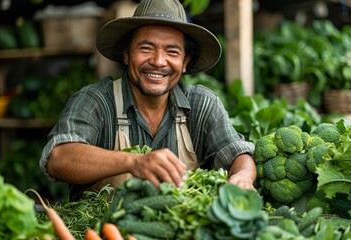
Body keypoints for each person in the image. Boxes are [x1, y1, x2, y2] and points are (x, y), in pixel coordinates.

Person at [39, 0, 256, 201]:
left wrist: (243, 177)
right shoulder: (95, 101)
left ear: (185, 62)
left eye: (172, 51)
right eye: (146, 48)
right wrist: (135, 162)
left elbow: (237, 152)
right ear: (126, 55)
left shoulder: (202, 104)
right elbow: (59, 158)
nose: (158, 61)